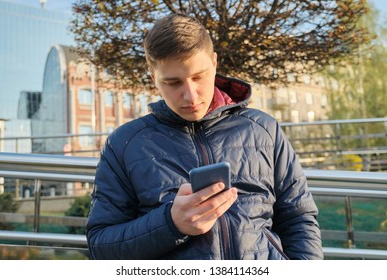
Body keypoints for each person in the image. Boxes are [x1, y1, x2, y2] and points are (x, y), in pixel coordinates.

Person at [86, 13, 323, 260]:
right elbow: (101, 246)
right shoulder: (124, 144)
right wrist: (170, 224)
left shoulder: (263, 128)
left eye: (198, 77)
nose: (190, 95)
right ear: (152, 77)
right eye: (173, 82)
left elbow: (299, 219)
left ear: (214, 63)